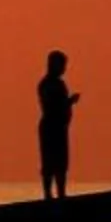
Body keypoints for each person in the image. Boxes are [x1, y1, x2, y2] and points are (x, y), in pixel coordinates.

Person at [37, 51, 79, 201]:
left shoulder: (58, 84)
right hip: (51, 127)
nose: (64, 69)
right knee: (50, 162)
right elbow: (52, 107)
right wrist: (69, 101)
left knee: (61, 163)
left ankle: (61, 194)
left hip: (60, 128)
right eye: (62, 65)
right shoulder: (47, 84)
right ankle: (48, 195)